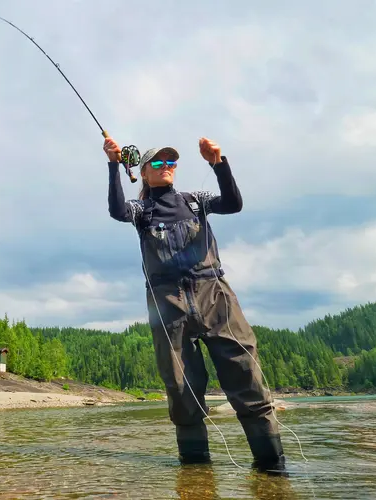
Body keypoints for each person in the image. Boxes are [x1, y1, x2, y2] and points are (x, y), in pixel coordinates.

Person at [104, 135, 286, 474]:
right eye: (158, 163)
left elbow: (233, 203)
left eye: (172, 162)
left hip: (214, 294)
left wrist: (218, 164)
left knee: (246, 377)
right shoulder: (142, 211)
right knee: (181, 388)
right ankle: (197, 473)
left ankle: (273, 470)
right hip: (167, 302)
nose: (167, 166)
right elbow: (117, 210)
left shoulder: (195, 201)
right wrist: (114, 165)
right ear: (144, 173)